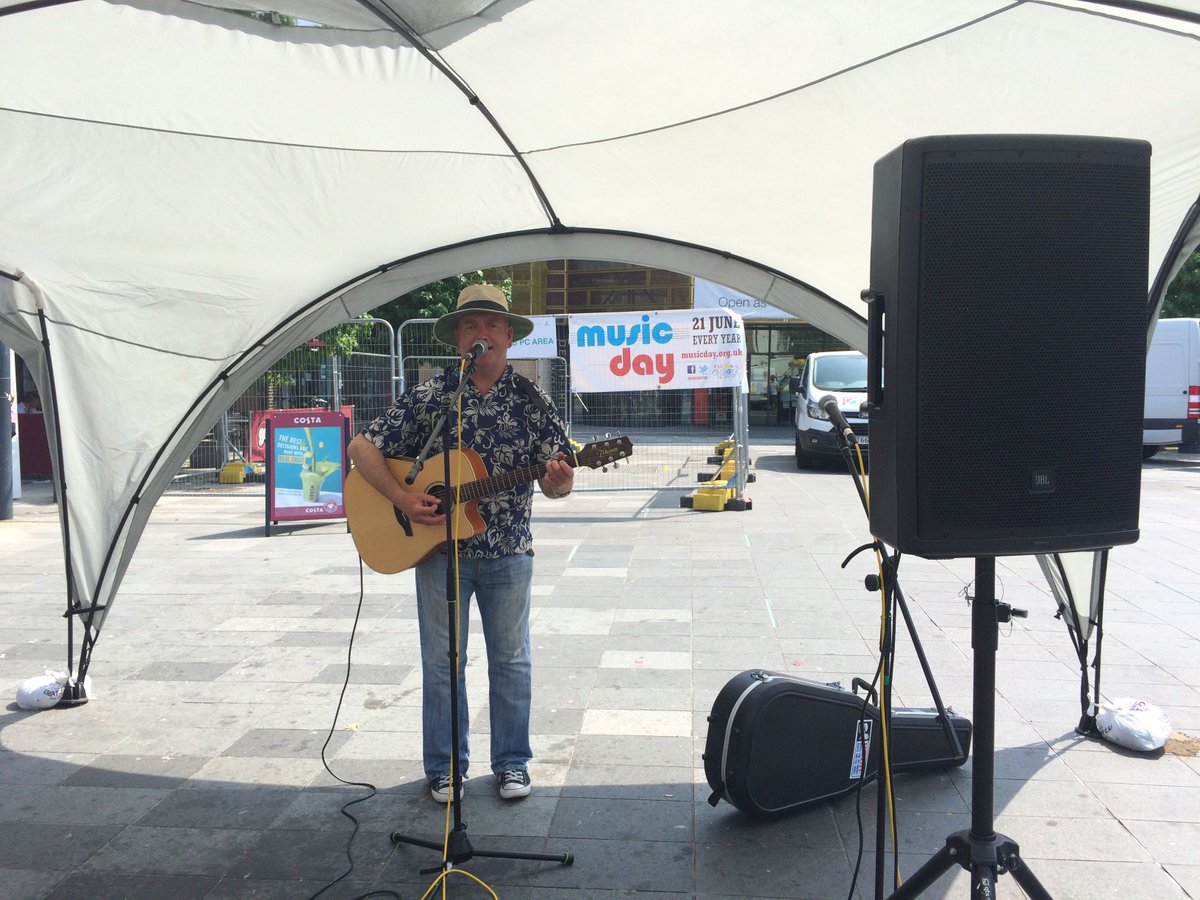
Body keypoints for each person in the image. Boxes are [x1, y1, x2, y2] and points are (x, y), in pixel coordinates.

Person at [347, 284, 573, 804]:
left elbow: (558, 480)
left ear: (509, 336)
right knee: (442, 661)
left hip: (509, 549)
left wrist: (560, 479)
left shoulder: (532, 400)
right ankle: (446, 768)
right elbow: (363, 446)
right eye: (470, 325)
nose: (482, 333)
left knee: (511, 660)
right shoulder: (433, 395)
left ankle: (512, 765)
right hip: (438, 552)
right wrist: (403, 499)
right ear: (457, 339)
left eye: (492, 324)